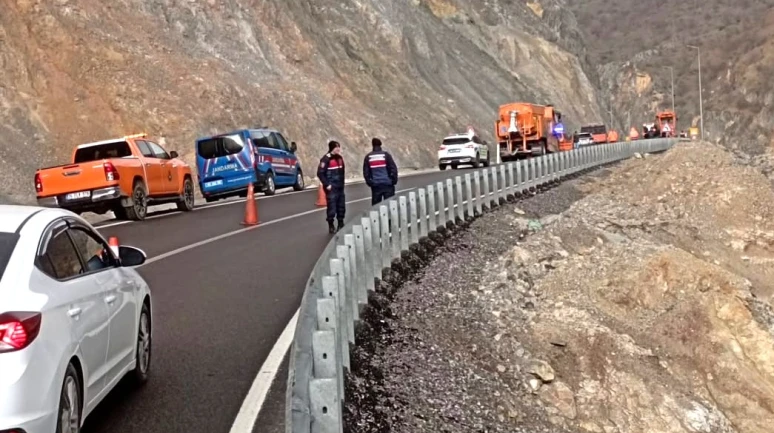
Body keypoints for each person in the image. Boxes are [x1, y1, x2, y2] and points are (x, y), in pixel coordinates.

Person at [317, 140, 346, 233]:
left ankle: (341, 223)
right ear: (332, 148)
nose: (338, 149)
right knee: (332, 207)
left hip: (340, 187)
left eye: (339, 147)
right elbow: (320, 173)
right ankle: (331, 224)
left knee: (341, 206)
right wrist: (327, 184)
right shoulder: (326, 159)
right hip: (332, 188)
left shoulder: (340, 158)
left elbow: (342, 172)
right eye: (336, 147)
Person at [363, 137, 399, 205]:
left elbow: (366, 173)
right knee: (390, 206)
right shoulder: (386, 155)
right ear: (380, 144)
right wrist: (393, 181)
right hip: (387, 184)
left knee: (376, 207)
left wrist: (370, 183)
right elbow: (393, 169)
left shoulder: (368, 157)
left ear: (372, 145)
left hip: (376, 186)